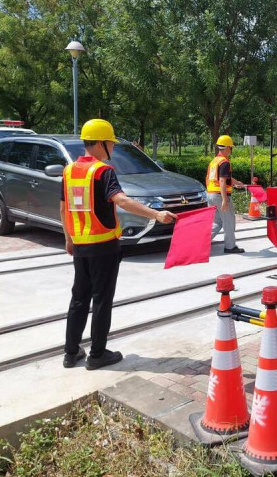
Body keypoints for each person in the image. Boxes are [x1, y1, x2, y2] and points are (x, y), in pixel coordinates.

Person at [61, 119, 177, 370]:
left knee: (79, 298)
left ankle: (71, 353)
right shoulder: (103, 171)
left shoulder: (69, 171)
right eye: (111, 143)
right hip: (103, 246)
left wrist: (69, 239)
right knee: (101, 300)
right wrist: (156, 214)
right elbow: (122, 201)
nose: (112, 148)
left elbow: (64, 208)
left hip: (80, 245)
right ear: (101, 143)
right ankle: (97, 354)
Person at [207, 135, 245, 254]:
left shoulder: (214, 161)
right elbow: (222, 181)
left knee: (217, 222)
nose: (231, 150)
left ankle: (201, 241)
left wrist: (236, 183)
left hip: (211, 194)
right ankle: (230, 246)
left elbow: (221, 178)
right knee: (229, 221)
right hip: (220, 195)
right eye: (231, 147)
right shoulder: (224, 162)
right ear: (227, 147)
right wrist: (224, 200)